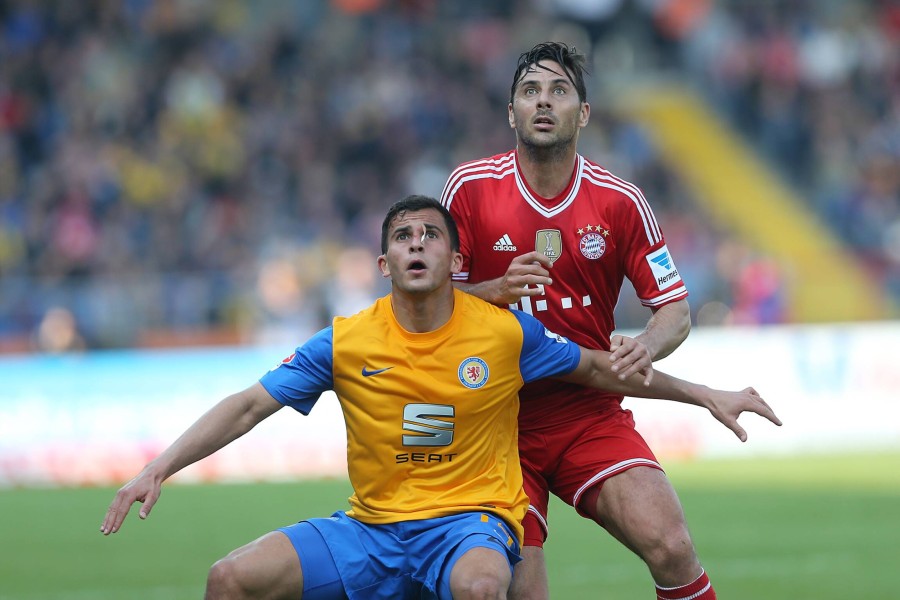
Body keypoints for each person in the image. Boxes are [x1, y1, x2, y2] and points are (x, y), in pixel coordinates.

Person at [100, 196, 780, 600]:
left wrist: (704, 393)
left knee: (483, 587)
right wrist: (158, 467)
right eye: (403, 237)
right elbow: (249, 405)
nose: (416, 244)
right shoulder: (345, 342)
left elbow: (602, 370)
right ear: (384, 263)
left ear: (456, 261)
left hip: (468, 525)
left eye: (430, 235)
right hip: (368, 531)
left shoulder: (503, 331)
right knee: (229, 581)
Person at [439, 42, 731, 599]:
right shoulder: (469, 189)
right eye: (530, 91)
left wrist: (646, 345)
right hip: (496, 419)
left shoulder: (620, 201)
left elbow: (674, 309)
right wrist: (494, 291)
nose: (543, 103)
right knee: (516, 591)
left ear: (584, 112)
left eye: (558, 91)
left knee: (671, 544)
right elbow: (432, 311)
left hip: (589, 411)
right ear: (511, 113)